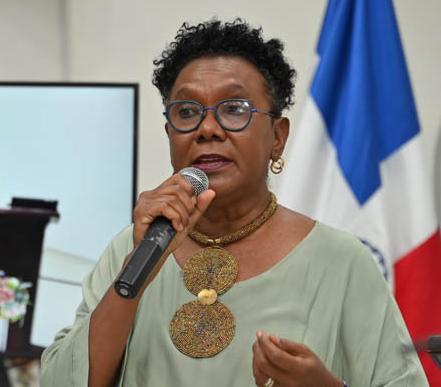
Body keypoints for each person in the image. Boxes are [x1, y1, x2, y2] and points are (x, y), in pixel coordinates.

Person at [40, 19, 427, 386]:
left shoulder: (341, 260)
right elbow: (61, 379)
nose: (207, 129)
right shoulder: (133, 248)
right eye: (187, 112)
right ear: (170, 134)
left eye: (234, 109)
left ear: (278, 137)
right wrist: (133, 277)